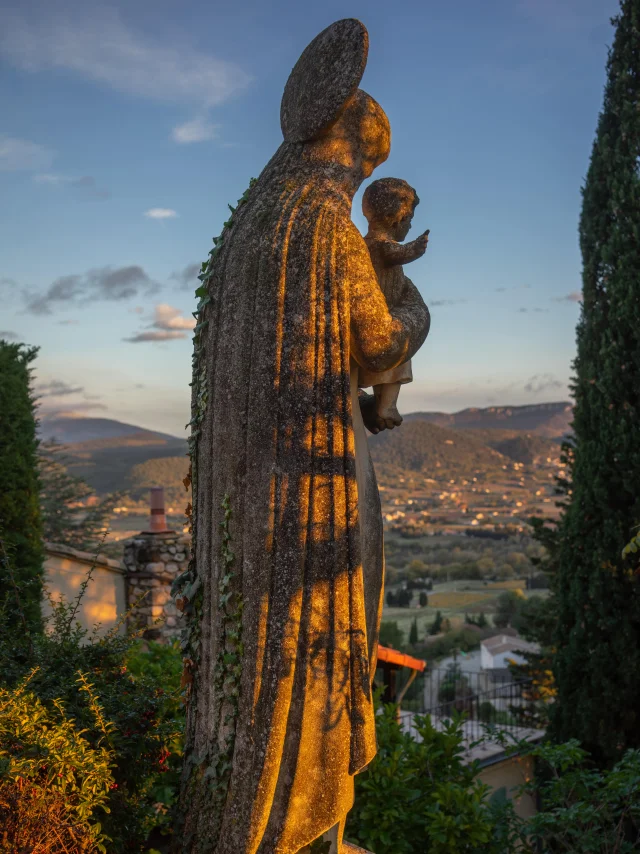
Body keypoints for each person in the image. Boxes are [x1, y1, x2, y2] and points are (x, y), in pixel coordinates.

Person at [175, 20, 431, 854]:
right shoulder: (322, 218)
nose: (363, 180)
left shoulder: (252, 225)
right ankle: (292, 824)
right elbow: (378, 344)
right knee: (310, 636)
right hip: (305, 487)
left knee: (248, 644)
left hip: (245, 484)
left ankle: (240, 804)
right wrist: (415, 312)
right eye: (366, 164)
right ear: (352, 149)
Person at [358, 177, 430, 428]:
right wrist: (415, 248)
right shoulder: (379, 244)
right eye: (409, 219)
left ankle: (383, 404)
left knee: (395, 358)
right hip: (385, 316)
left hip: (384, 313)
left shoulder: (366, 245)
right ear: (396, 218)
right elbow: (396, 253)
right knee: (400, 351)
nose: (409, 226)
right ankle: (386, 405)